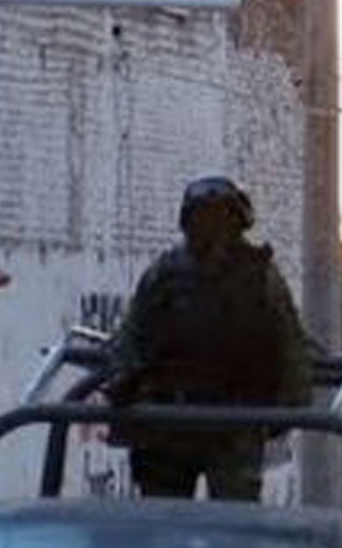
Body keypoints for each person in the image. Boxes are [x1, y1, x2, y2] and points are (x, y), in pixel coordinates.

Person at [108, 176, 312, 499]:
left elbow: (289, 347)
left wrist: (285, 410)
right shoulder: (166, 275)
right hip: (169, 423)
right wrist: (123, 390)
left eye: (220, 220)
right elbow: (133, 338)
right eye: (204, 220)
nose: (213, 230)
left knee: (234, 526)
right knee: (162, 524)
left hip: (235, 422)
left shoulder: (260, 280)